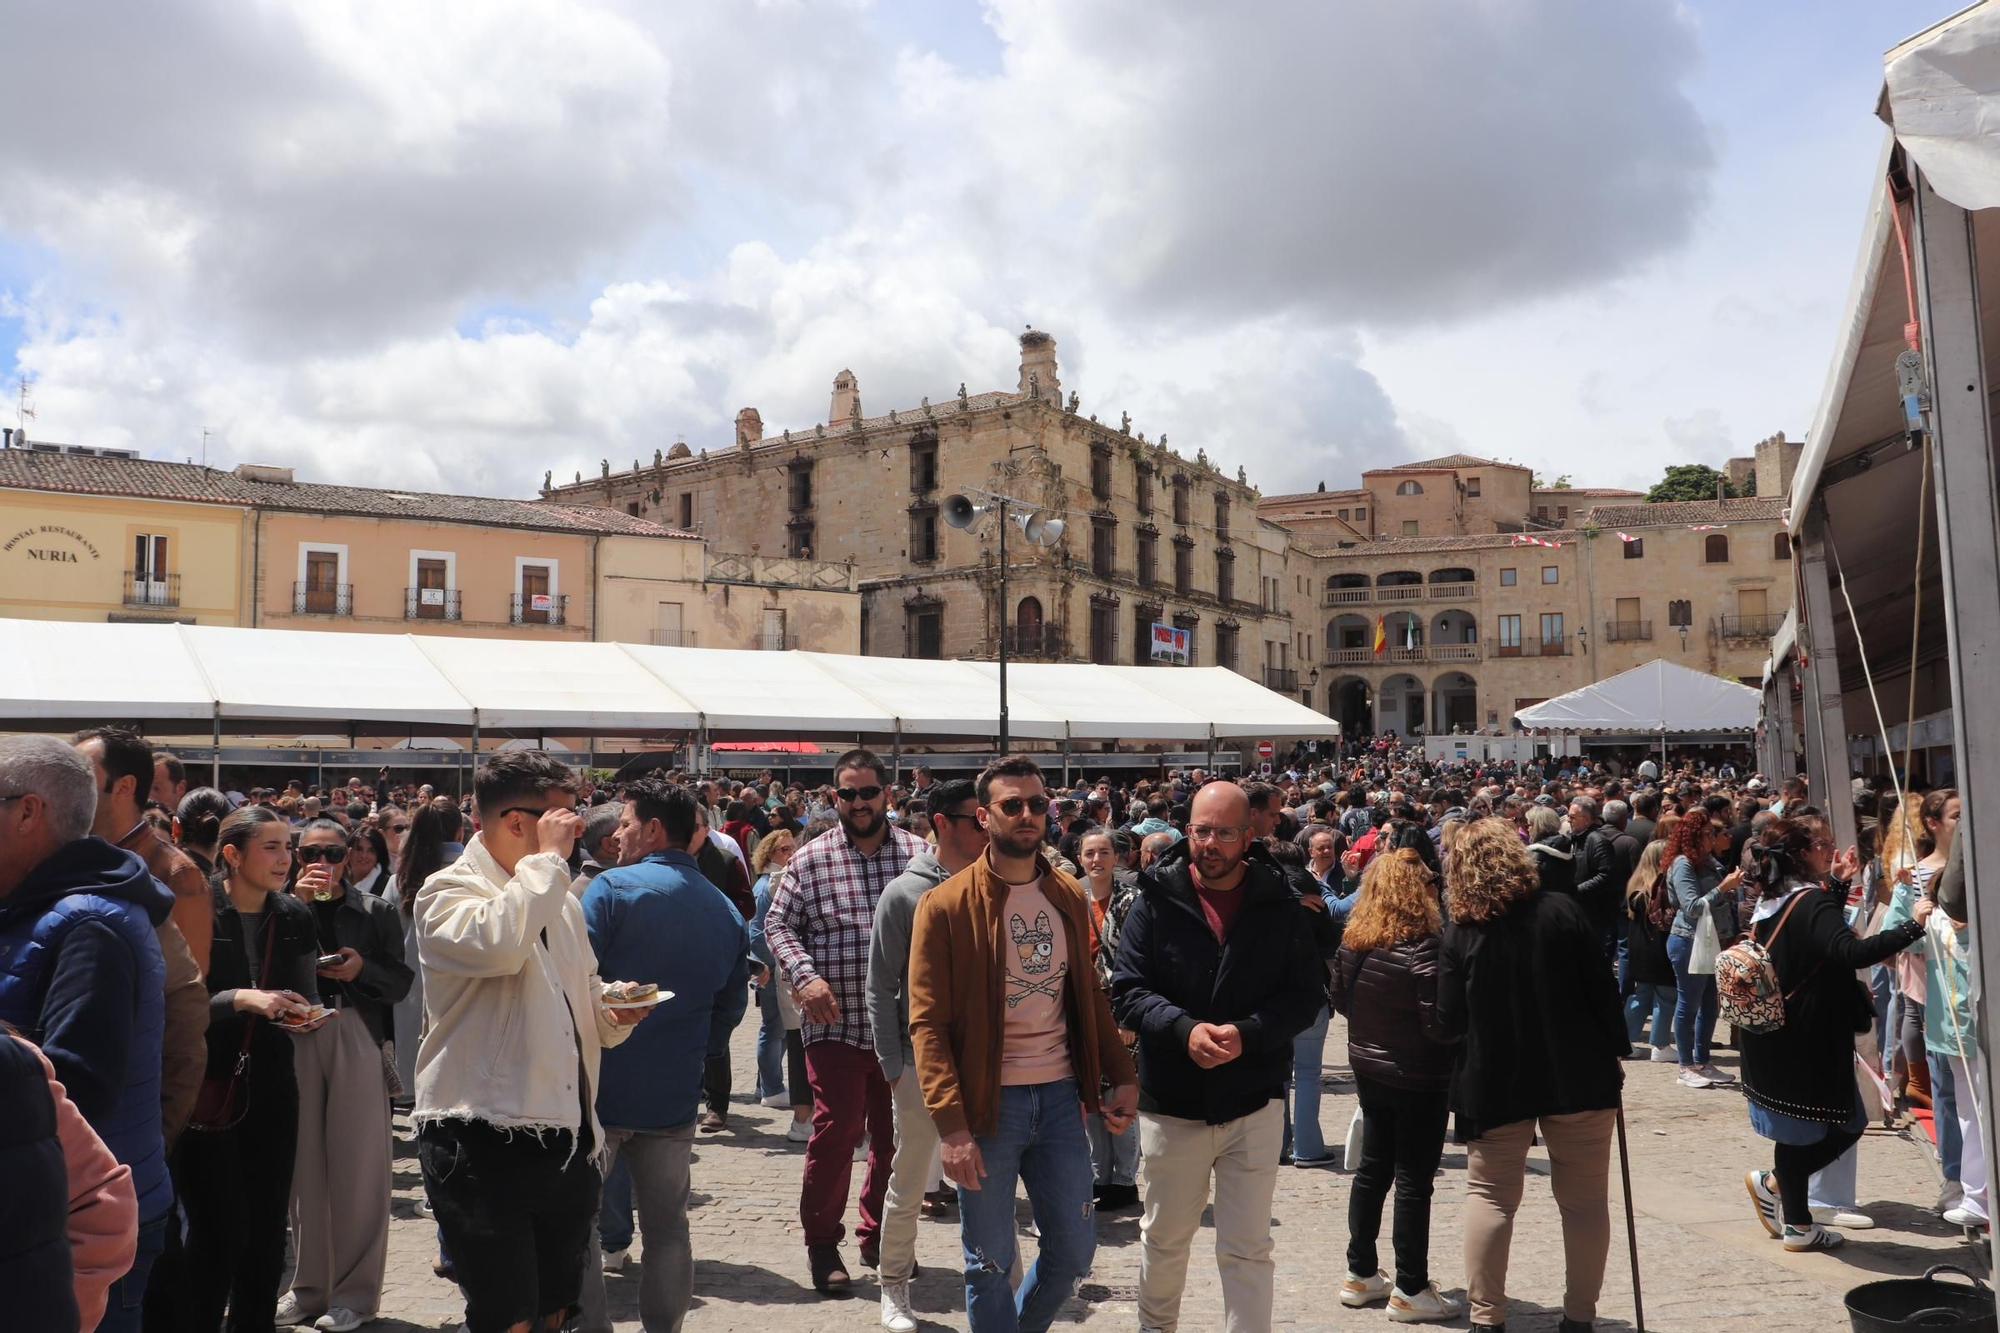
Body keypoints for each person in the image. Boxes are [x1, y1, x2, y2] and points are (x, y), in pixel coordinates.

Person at [410, 753, 648, 1333]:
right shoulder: (444, 891)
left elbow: (580, 991)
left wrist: (615, 1009)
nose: (580, 826)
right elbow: (497, 945)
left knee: (554, 1313)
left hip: (565, 1133)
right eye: (565, 814)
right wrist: (546, 863)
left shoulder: (558, 898)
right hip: (479, 1137)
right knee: (505, 1317)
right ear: (519, 821)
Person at [907, 756, 1137, 1333]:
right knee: (987, 1265)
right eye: (1013, 805)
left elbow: (1088, 996)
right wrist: (951, 1127)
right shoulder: (945, 905)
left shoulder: (1065, 893)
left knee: (1074, 1253)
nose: (1028, 815)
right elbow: (927, 1023)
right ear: (985, 817)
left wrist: (1121, 1074)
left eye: (1039, 804)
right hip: (988, 1105)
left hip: (1061, 1097)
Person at [1111, 781, 1325, 1333]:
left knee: (1248, 1249)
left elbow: (1306, 995)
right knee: (1163, 1241)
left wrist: (1250, 1032)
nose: (1210, 843)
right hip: (1172, 1102)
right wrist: (1182, 1030)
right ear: (1187, 831)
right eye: (1201, 830)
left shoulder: (1277, 902)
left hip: (1252, 1102)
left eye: (1224, 832)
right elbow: (1128, 991)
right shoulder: (1154, 898)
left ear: (1248, 836)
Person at [0, 736, 175, 1333]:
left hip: (81, 1224)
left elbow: (78, 1088)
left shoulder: (89, 924)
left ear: (27, 812)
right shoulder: (45, 907)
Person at [1439, 818, 1630, 1333]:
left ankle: (1486, 1319)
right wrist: (1616, 1049)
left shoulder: (1461, 929)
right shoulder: (1563, 910)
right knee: (1586, 1202)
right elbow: (1603, 992)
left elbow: (1449, 1018)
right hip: (1578, 1074)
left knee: (1491, 1197)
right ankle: (1579, 1317)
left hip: (1494, 1078)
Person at [576, 779, 749, 1333]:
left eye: (624, 823)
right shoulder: (724, 909)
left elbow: (574, 982)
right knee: (668, 1227)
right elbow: (731, 1004)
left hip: (598, 1090)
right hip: (673, 1093)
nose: (617, 834)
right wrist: (696, 1051)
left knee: (579, 1225)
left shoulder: (609, 890)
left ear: (653, 829)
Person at [762, 749, 928, 1295]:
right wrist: (805, 977)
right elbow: (778, 926)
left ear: (888, 794)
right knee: (834, 1136)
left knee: (894, 1139)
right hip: (834, 1022)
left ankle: (881, 1234)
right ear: (834, 798)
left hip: (902, 1026)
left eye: (868, 792)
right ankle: (821, 1243)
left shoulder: (917, 856)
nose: (858, 803)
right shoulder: (809, 859)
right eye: (847, 794)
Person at [1738, 818, 1930, 1251]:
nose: (1832, 849)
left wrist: (1838, 886)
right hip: (1809, 1038)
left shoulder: (1777, 898)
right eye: (1823, 844)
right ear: (1802, 854)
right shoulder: (1809, 902)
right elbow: (1849, 951)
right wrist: (1912, 926)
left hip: (1773, 1033)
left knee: (1800, 1131)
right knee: (1846, 1124)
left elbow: (1816, 942)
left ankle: (1796, 1221)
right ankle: (1781, 1195)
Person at [178, 805, 328, 1332]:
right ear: (232, 855)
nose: (286, 858)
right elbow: (176, 1001)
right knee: (220, 1230)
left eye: (289, 847)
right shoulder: (195, 909)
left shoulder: (294, 915)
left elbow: (308, 993)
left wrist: (303, 1015)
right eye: (272, 847)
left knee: (267, 1232)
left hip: (270, 1085)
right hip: (203, 1088)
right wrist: (239, 999)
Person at [274, 818, 411, 1332]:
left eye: (333, 855)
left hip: (354, 1029)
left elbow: (399, 982)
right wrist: (298, 909)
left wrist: (361, 971)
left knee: (359, 1169)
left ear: (350, 855)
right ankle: (308, 1288)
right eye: (311, 853)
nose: (322, 864)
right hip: (294, 1029)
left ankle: (354, 1295)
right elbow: (261, 971)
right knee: (302, 1167)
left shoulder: (374, 911)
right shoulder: (280, 907)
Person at [865, 778, 986, 1333]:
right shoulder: (905, 894)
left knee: (988, 1175)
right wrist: (892, 1065)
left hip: (987, 1061)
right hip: (919, 1063)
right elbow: (880, 983)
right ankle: (893, 1287)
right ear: (941, 822)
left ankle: (994, 1279)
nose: (986, 826)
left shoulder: (1000, 885)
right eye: (974, 818)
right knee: (910, 1178)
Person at [1330, 843, 1461, 1322]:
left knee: (1373, 1169)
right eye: (1431, 883)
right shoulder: (1423, 946)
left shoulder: (1355, 939)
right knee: (1412, 1180)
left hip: (1370, 1067)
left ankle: (1360, 1273)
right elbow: (1438, 1025)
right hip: (1418, 1074)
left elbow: (1341, 1000)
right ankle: (1410, 1285)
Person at [1072, 824, 1143, 1209]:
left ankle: (1125, 1179)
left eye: (1103, 853)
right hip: (1082, 1010)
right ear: (1079, 858)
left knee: (1120, 1094)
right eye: (1089, 854)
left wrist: (1130, 1016)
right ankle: (1100, 1175)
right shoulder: (1071, 897)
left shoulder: (1132, 900)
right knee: (1092, 1098)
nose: (1096, 860)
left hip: (1119, 1009)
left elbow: (1139, 963)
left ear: (1117, 858)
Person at [1663, 812, 1743, 1090]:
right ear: (1694, 836)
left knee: (1710, 1004)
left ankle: (1702, 1061)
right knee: (1689, 1002)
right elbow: (1693, 907)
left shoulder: (1707, 861)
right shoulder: (1683, 864)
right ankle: (1686, 1065)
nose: (1713, 837)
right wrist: (1723, 888)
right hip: (1688, 940)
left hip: (1711, 940)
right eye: (1708, 833)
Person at [747, 829, 812, 1144]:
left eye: (791, 848)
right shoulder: (767, 886)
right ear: (769, 853)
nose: (788, 853)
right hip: (771, 969)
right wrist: (768, 965)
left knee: (779, 1031)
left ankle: (768, 1085)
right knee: (774, 1030)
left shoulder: (783, 879)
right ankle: (771, 1088)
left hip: (775, 967)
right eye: (782, 849)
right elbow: (757, 931)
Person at [1623, 842, 1679, 1061]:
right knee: (1666, 997)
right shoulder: (1660, 888)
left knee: (1640, 997)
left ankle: (1625, 1040)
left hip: (1639, 950)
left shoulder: (1635, 886)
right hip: (1659, 949)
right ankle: (1661, 1044)